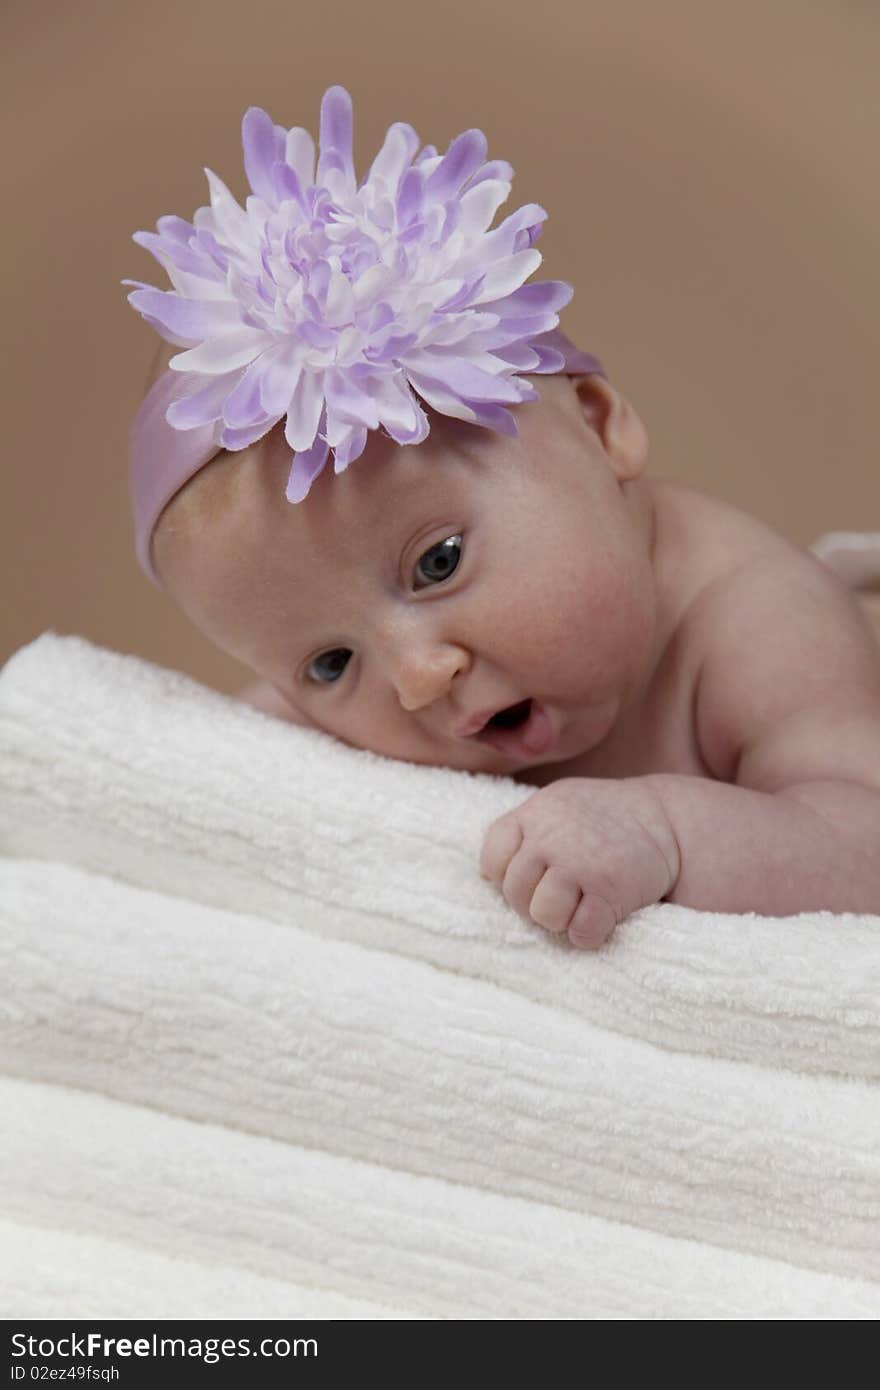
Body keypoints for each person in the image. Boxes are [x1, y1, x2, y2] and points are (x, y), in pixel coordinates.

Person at [126, 87, 880, 949]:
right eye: (330, 663)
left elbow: (864, 848)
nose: (417, 678)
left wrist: (665, 832)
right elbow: (243, 762)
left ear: (600, 426)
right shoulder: (391, 696)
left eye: (438, 562)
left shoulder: (755, 620)